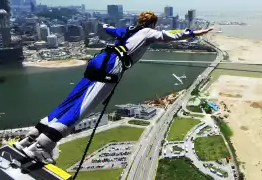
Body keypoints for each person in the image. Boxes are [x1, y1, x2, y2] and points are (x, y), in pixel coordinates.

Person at [14, 11, 213, 164]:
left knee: (68, 102)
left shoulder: (127, 31)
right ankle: (42, 146)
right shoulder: (149, 31)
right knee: (82, 108)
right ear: (152, 23)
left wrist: (106, 25)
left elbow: (109, 29)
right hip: (111, 66)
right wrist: (196, 32)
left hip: (98, 61)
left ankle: (29, 139)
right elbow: (171, 36)